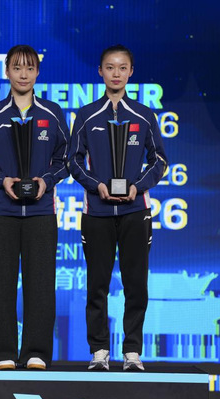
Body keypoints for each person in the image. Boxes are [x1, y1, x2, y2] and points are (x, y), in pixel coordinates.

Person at [0, 45, 69, 370]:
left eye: (30, 68)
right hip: (1, 212)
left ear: (38, 72)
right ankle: (2, 352)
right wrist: (1, 181)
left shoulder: (52, 113)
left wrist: (46, 181)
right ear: (7, 71)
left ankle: (37, 351)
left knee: (41, 283)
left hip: (41, 212)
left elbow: (67, 159)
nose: (23, 75)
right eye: (17, 68)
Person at [68, 45, 167, 371]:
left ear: (131, 72)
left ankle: (132, 352)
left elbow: (160, 160)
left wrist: (138, 186)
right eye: (110, 67)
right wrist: (95, 185)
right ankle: (99, 351)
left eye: (122, 67)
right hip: (97, 211)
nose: (116, 73)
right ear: (100, 71)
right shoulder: (87, 115)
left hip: (135, 212)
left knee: (135, 284)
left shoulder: (144, 115)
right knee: (96, 284)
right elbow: (73, 161)